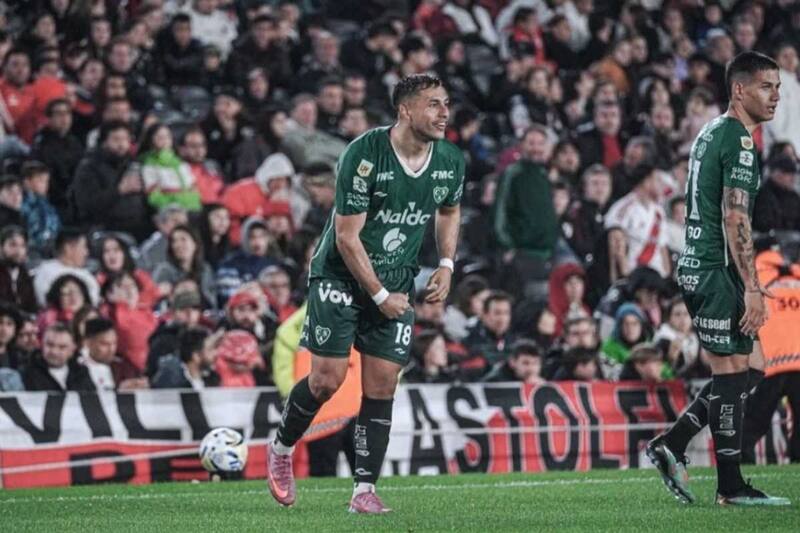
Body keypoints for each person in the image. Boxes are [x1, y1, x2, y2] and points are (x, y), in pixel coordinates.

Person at [266, 74, 464, 514]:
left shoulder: (449, 159)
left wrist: (447, 264)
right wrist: (379, 295)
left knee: (381, 384)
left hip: (396, 280)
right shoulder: (364, 155)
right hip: (340, 276)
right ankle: (280, 450)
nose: (444, 112)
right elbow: (346, 238)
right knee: (327, 381)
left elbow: (449, 209)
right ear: (405, 110)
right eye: (433, 104)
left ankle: (363, 490)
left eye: (446, 103)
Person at [648, 52, 788, 506]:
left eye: (779, 87)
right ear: (739, 90)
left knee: (752, 369)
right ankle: (730, 485)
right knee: (731, 372)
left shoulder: (712, 131)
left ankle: (672, 443)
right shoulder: (740, 142)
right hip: (713, 268)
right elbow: (734, 217)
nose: (776, 96)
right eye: (767, 86)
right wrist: (750, 285)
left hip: (704, 266)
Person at [33, 228, 100, 308]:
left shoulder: (87, 276)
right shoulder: (46, 270)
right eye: (84, 247)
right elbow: (43, 301)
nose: (86, 252)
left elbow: (93, 303)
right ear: (68, 248)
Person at [77, 317, 146, 391]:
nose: (111, 349)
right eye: (104, 344)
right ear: (88, 343)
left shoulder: (124, 367)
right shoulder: (75, 369)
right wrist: (118, 391)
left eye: (114, 343)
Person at [23, 323, 95, 392]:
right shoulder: (27, 373)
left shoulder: (82, 373)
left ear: (73, 349)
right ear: (42, 344)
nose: (55, 352)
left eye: (62, 347)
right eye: (50, 345)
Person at [0, 226, 36, 313]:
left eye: (22, 246)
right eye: (13, 245)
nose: (18, 251)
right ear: (1, 247)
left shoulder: (26, 275)